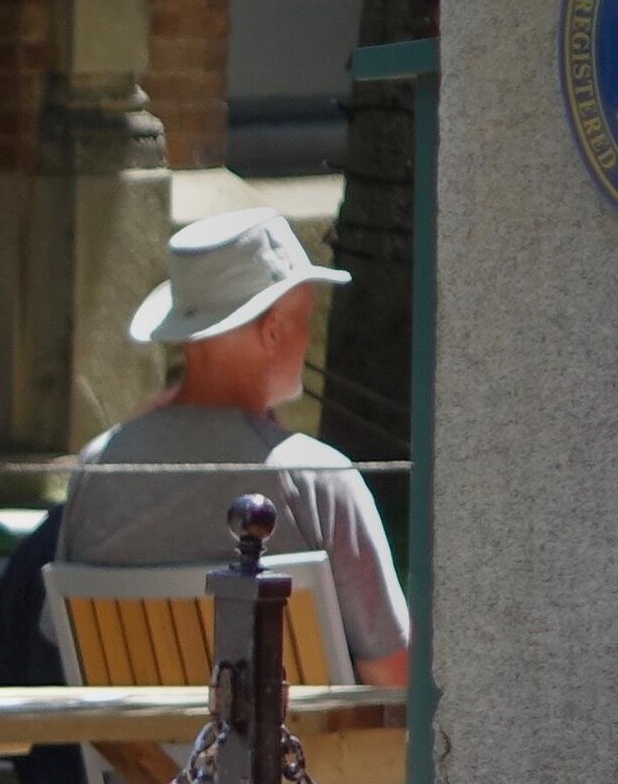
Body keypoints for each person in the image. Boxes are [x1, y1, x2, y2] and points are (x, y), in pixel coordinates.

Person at [49, 208, 415, 692]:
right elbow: (394, 676)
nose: (308, 341)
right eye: (305, 320)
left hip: (143, 766)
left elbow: (61, 642)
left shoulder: (100, 465)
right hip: (299, 766)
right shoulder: (316, 477)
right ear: (273, 332)